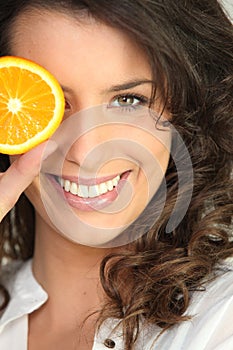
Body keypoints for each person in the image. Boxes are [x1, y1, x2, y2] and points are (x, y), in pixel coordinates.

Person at [0, 0, 232, 349]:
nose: (85, 152)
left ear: (183, 113)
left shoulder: (222, 320)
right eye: (55, 105)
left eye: (128, 101)